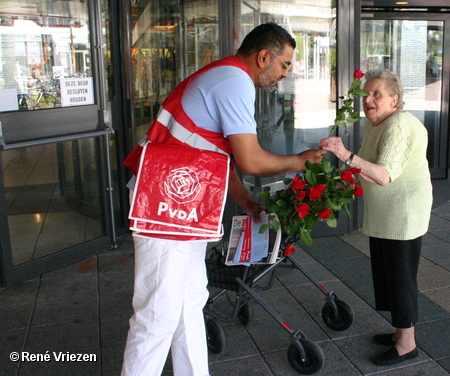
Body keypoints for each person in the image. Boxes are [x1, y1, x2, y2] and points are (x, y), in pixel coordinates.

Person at [121, 23, 326, 376]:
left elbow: (215, 158)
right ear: (264, 56)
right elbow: (249, 159)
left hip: (180, 205)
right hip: (165, 206)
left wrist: (245, 201)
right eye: (284, 65)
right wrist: (297, 160)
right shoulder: (234, 81)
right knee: (158, 313)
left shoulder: (225, 76)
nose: (284, 74)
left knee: (188, 303)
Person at [319, 69, 432, 367]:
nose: (368, 100)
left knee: (400, 276)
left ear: (394, 98)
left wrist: (343, 154)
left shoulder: (399, 125)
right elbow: (364, 168)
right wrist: (330, 188)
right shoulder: (377, 124)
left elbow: (382, 175)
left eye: (376, 94)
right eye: (366, 94)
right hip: (386, 211)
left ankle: (407, 344)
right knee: (388, 273)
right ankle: (399, 333)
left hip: (403, 212)